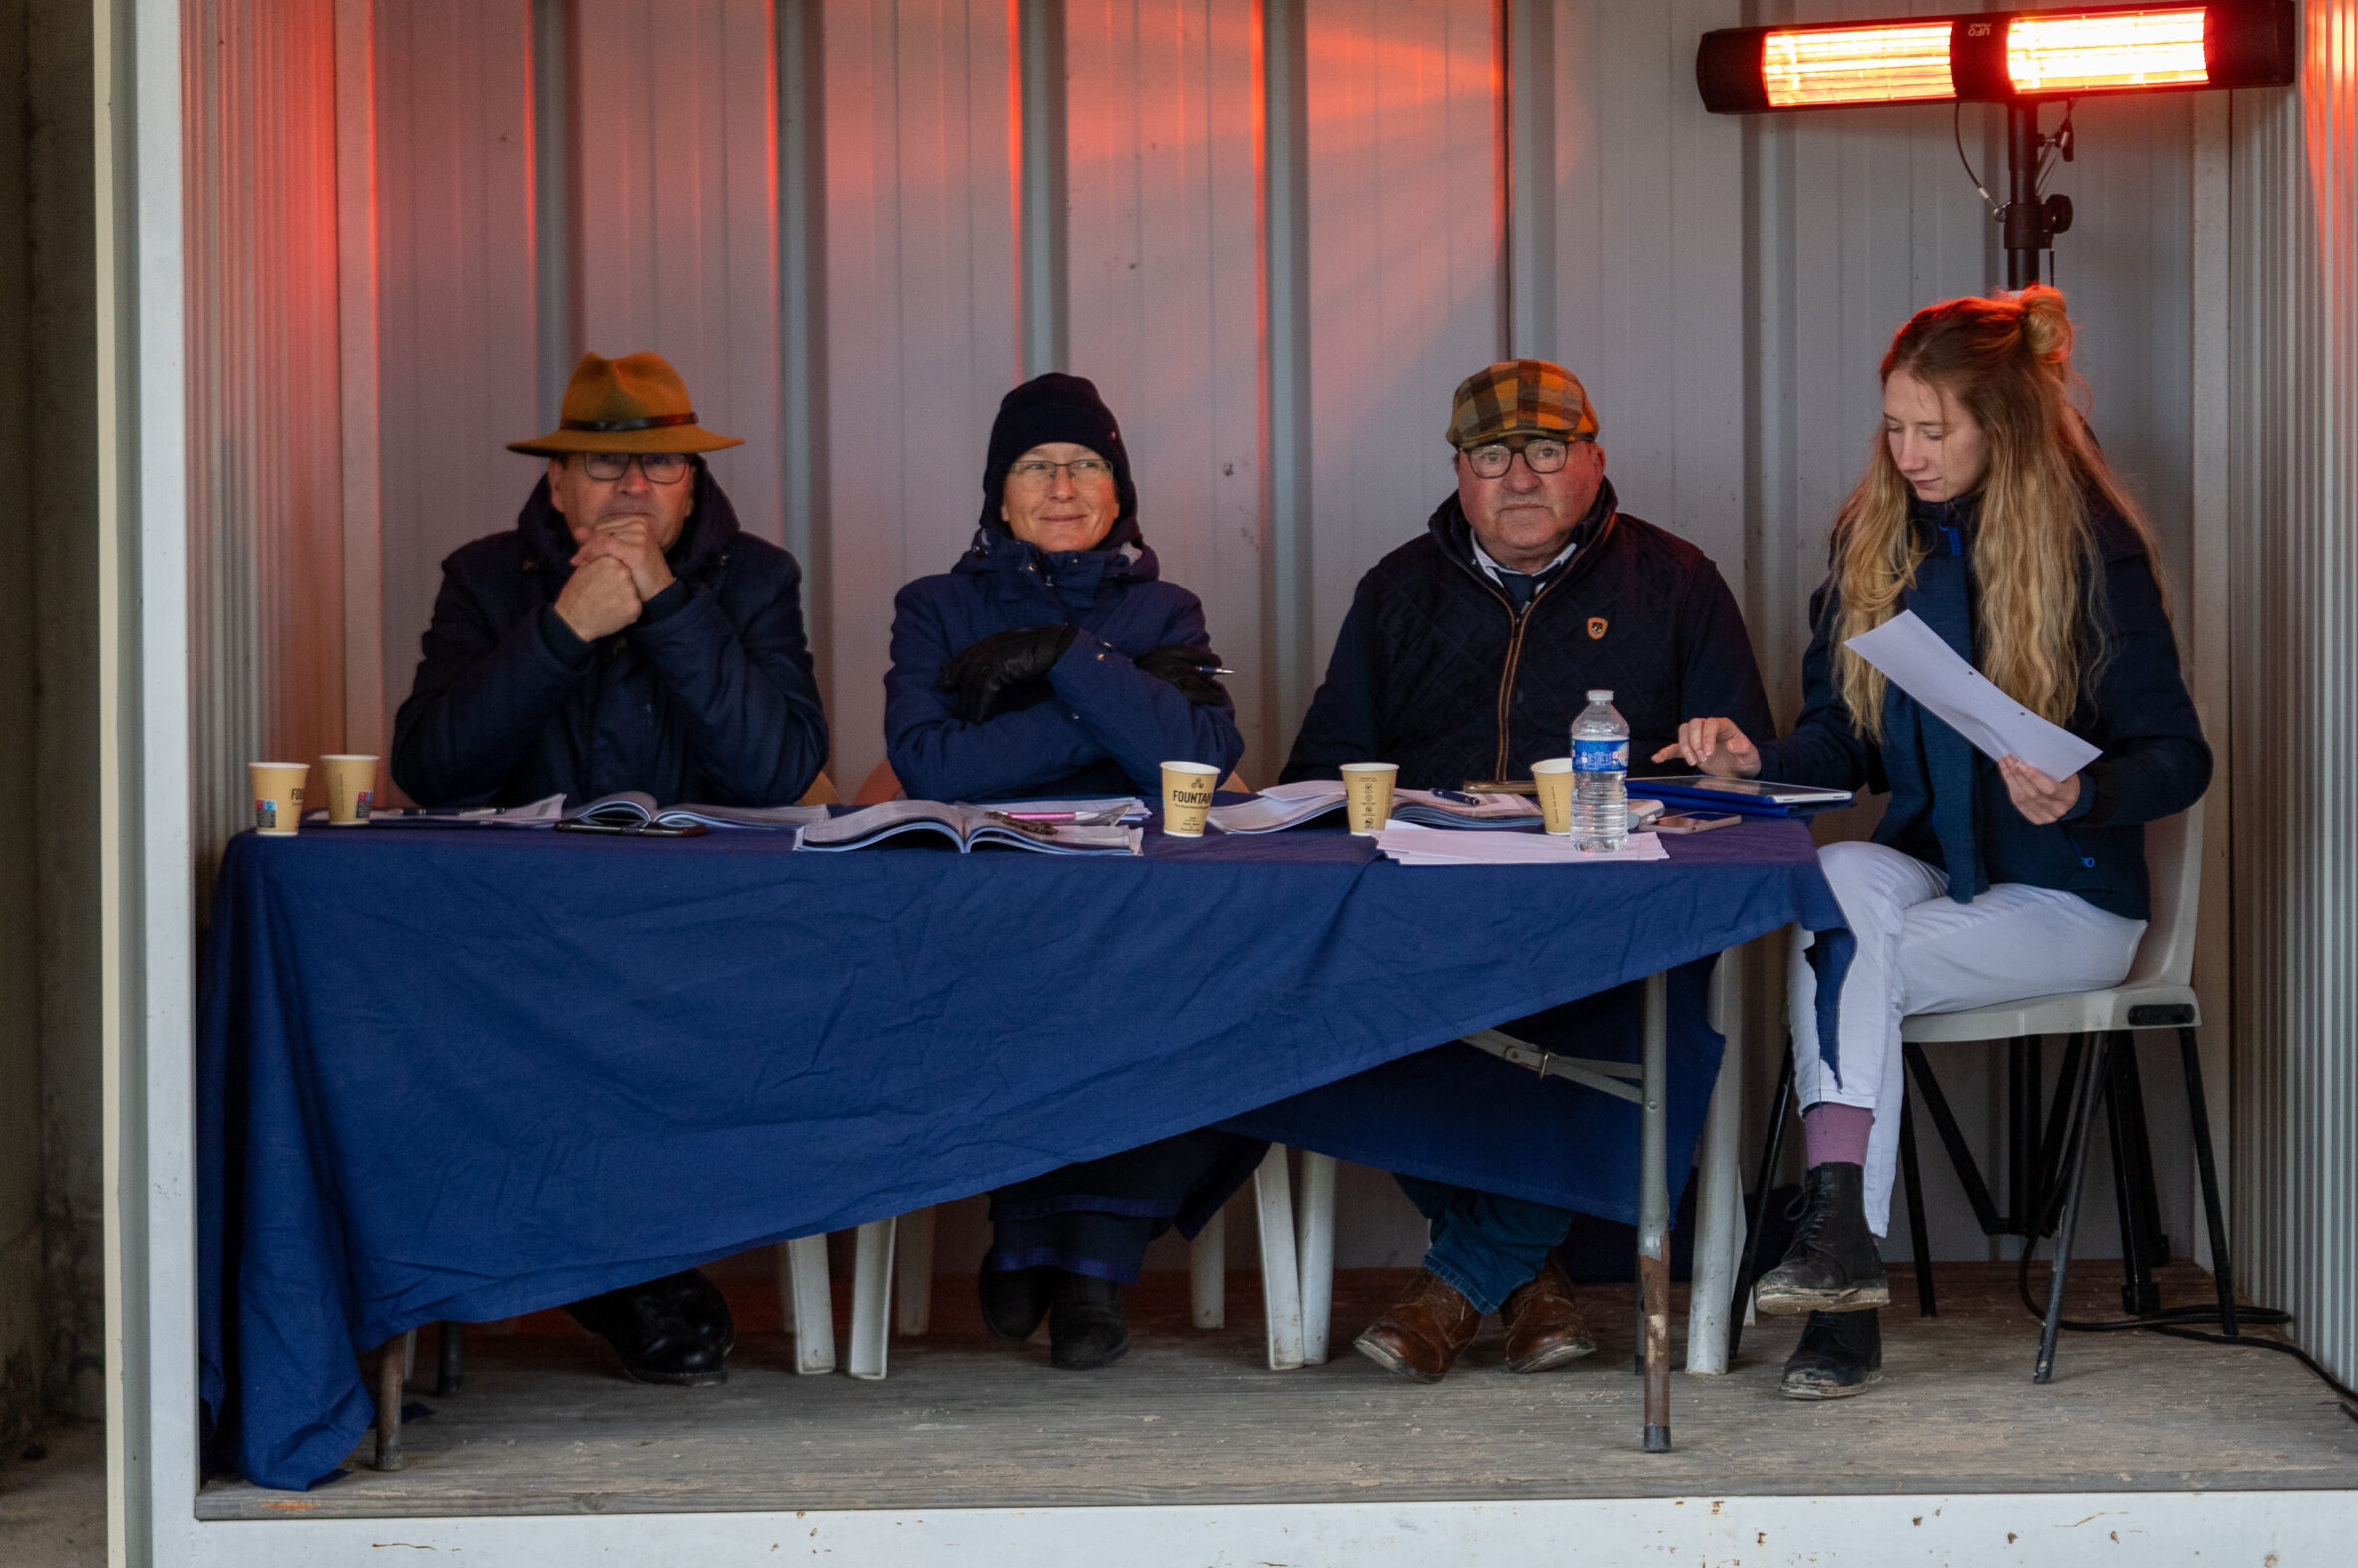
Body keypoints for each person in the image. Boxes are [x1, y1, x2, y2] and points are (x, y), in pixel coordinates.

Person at [1660, 287, 2210, 1400]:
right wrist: (1753, 761)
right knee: (1836, 877)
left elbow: (2179, 756)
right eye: (1893, 428)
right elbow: (1843, 741)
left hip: (2068, 900)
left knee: (1846, 955)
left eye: (1933, 430)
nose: (1907, 454)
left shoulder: (2088, 551)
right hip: (1936, 872)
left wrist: (2086, 789)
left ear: (2001, 427)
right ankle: (1841, 1254)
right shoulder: (1875, 540)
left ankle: (1835, 1268)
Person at [1282, 358, 1773, 1382]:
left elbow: (1738, 774)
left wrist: (1720, 765)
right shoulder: (1397, 590)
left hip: (1611, 910)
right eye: (1491, 455)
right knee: (1335, 999)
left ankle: (1461, 1280)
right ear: (1459, 472)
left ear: (1593, 459)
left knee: (1640, 1007)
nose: (1518, 477)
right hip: (1432, 906)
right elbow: (1320, 774)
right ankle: (1530, 1278)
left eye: (1546, 451)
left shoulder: (1676, 581)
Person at [390, 349, 830, 1389]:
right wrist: (562, 631)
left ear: (693, 485)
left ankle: (622, 1267)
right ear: (556, 484)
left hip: (707, 921)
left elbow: (778, 769)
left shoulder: (754, 579)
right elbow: (433, 771)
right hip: (521, 922)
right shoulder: (486, 579)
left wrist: (670, 608)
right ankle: (629, 1273)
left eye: (662, 464)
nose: (635, 486)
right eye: (603, 464)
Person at [883, 371, 1258, 1371]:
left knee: (1217, 994)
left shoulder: (1166, 608)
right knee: (1048, 989)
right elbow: (931, 767)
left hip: (1145, 907)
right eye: (1036, 466)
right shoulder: (935, 607)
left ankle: (1069, 1253)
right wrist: (1106, 695)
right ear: (998, 496)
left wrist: (1058, 658)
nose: (1061, 485)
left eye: (1085, 464)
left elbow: (1201, 759)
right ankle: (1064, 1252)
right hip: (985, 906)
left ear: (1117, 490)